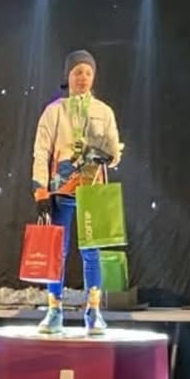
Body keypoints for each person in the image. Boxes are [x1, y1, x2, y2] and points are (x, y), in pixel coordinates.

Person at [32, 50, 121, 334]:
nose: (82, 77)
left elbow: (115, 150)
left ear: (94, 77)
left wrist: (107, 156)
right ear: (68, 76)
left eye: (88, 72)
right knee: (57, 251)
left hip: (93, 191)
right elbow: (41, 151)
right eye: (77, 72)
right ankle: (54, 310)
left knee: (92, 252)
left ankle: (93, 311)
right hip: (61, 191)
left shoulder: (104, 111)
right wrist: (40, 190)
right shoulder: (54, 111)